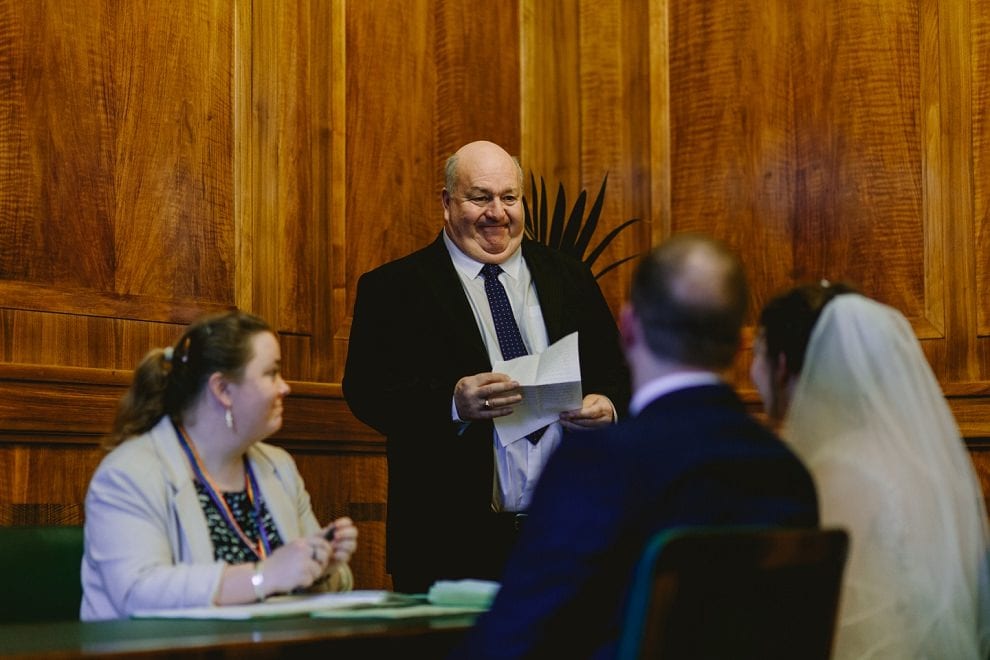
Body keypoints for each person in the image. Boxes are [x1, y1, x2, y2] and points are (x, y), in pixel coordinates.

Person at [453, 234, 819, 659]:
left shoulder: (598, 466)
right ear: (739, 343)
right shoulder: (787, 472)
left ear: (628, 328)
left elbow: (514, 635)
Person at [342, 140, 630, 593]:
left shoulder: (569, 276)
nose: (497, 212)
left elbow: (620, 373)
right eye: (480, 197)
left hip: (568, 534)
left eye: (509, 198)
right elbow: (367, 392)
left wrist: (608, 405)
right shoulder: (394, 288)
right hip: (449, 544)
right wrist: (452, 403)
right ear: (446, 202)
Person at [751, 283, 990, 659]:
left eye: (757, 352)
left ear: (781, 366)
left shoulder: (832, 472)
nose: (752, 371)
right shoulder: (926, 466)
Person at [82, 311, 358, 620]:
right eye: (272, 373)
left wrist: (320, 568)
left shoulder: (278, 466)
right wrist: (263, 576)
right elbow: (138, 592)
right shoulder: (129, 472)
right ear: (223, 390)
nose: (285, 388)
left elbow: (307, 585)